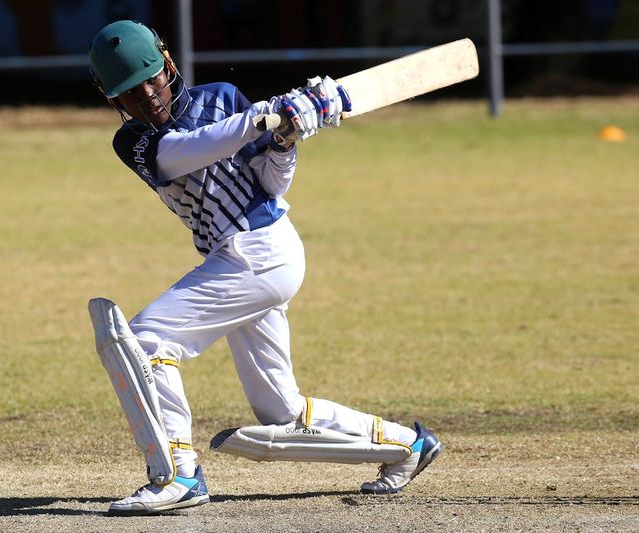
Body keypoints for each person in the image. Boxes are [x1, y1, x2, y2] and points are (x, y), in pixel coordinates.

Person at [87, 20, 442, 515]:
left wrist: (285, 142)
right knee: (282, 410)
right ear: (113, 99)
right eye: (131, 92)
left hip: (259, 251)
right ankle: (408, 445)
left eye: (152, 79)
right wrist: (268, 117)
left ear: (169, 65)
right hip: (238, 259)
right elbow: (186, 152)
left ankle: (178, 474)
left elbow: (271, 186)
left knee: (145, 343)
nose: (147, 96)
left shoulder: (223, 97)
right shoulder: (135, 142)